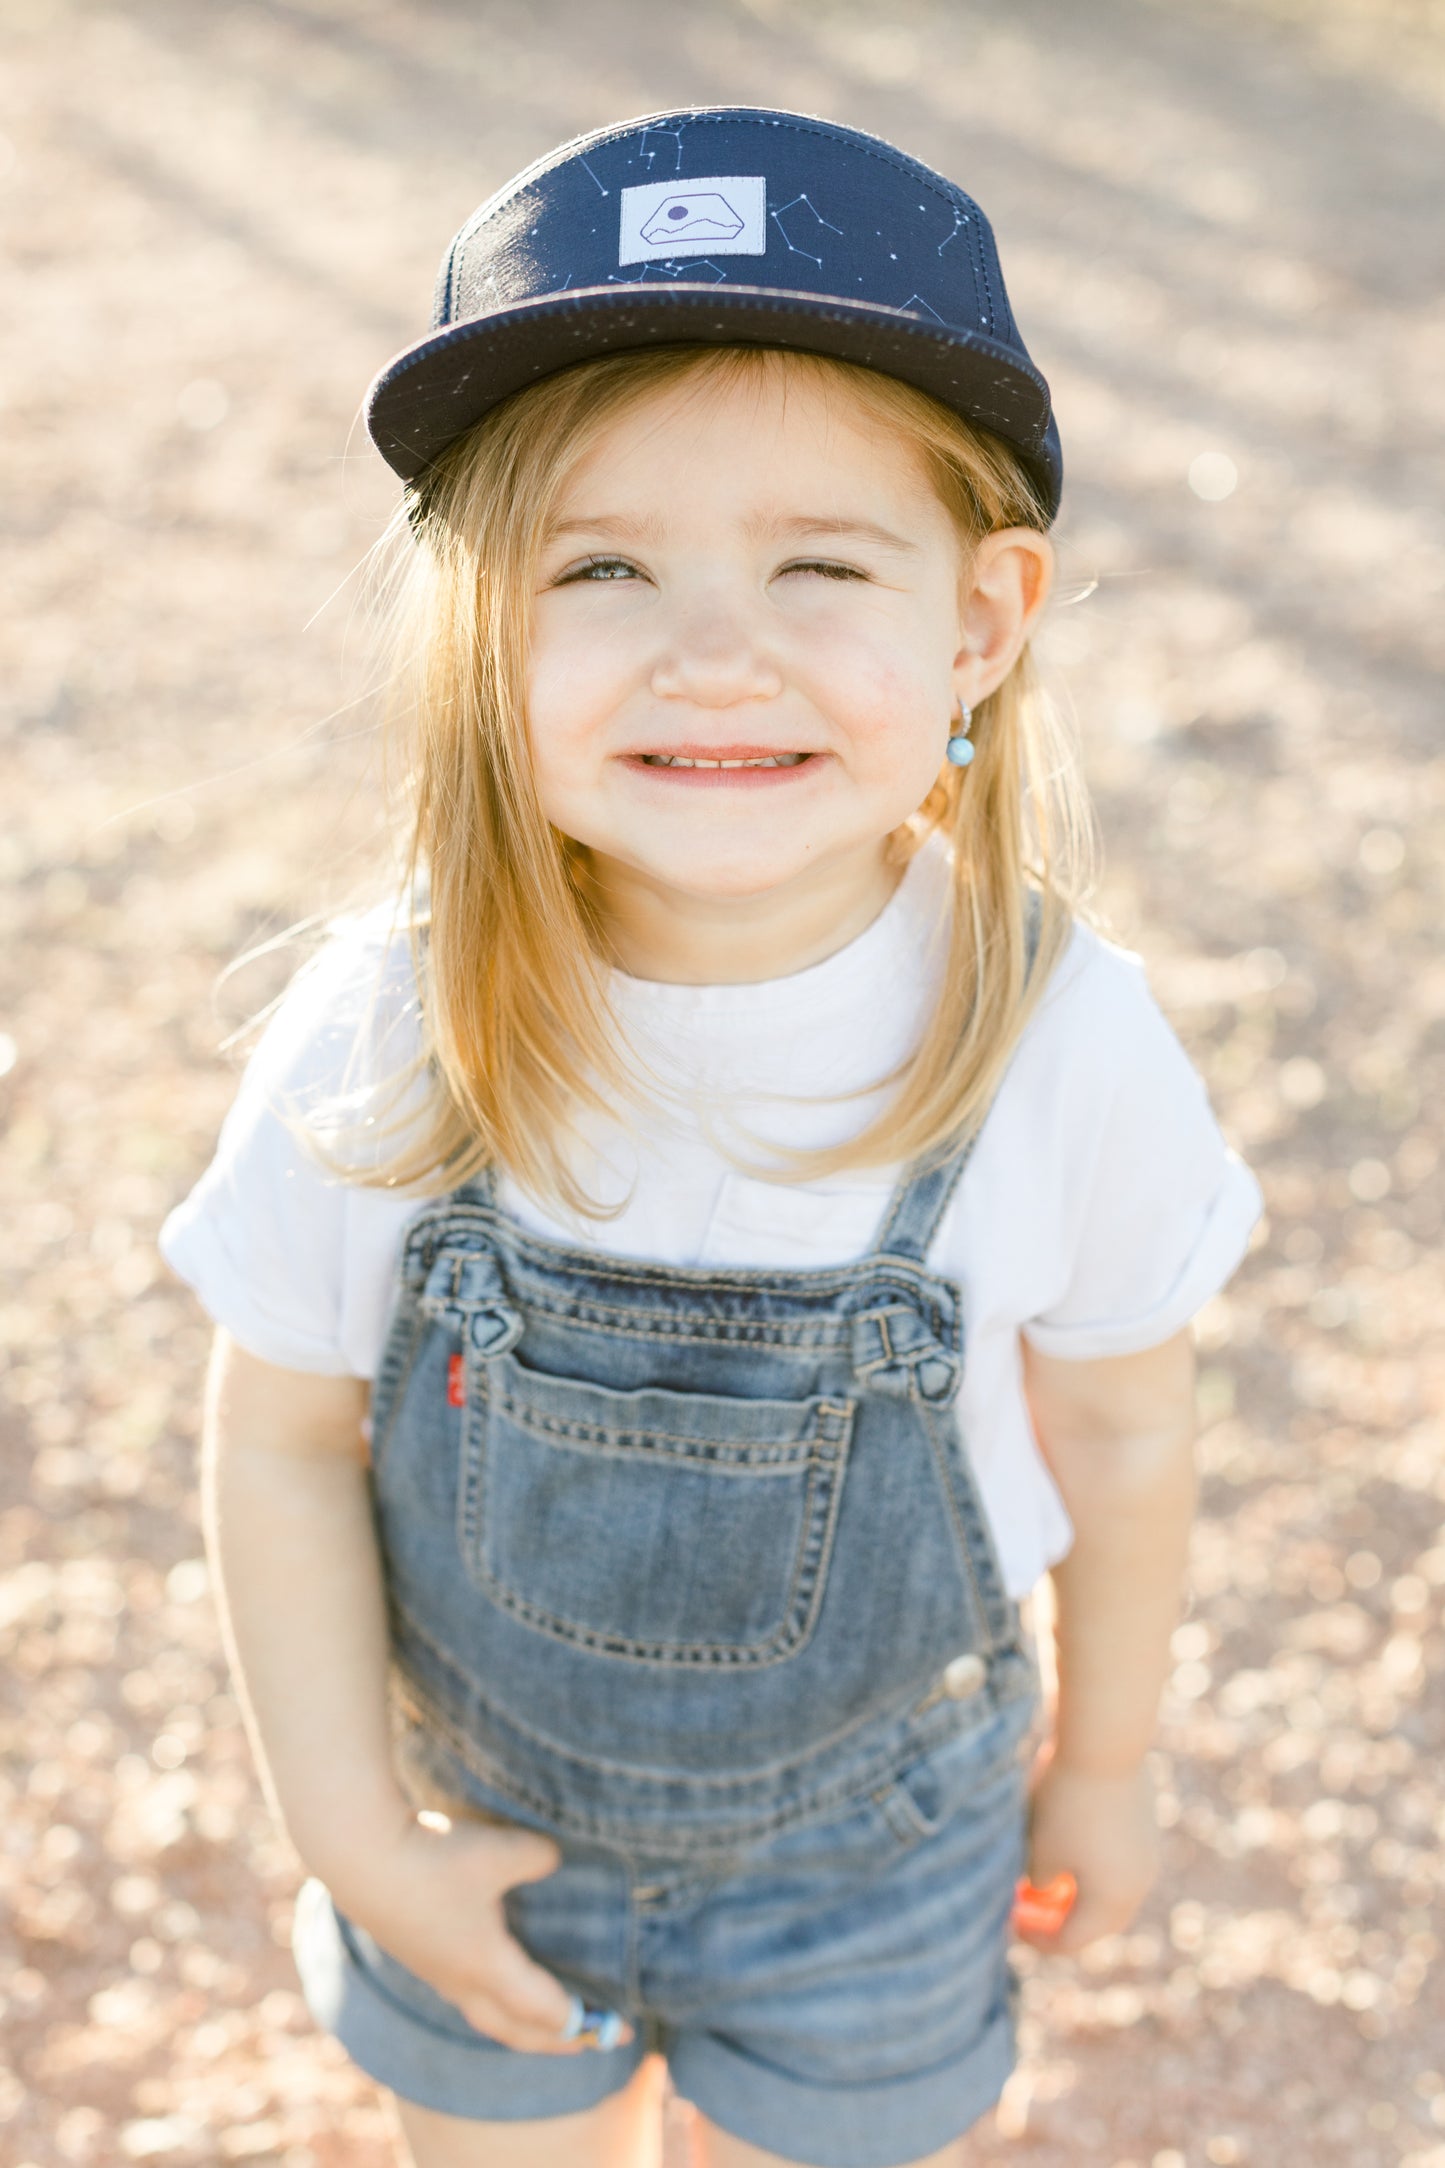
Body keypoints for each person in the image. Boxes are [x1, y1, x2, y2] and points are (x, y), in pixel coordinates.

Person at [160, 106, 1263, 2168]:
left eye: (819, 563)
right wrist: (355, 1840)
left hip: (887, 1857)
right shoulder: (390, 1025)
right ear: (482, 629)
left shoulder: (1057, 1041)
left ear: (982, 623)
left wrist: (1101, 1763)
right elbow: (281, 1432)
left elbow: (1122, 1427)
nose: (714, 648)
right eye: (603, 565)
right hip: (486, 1830)